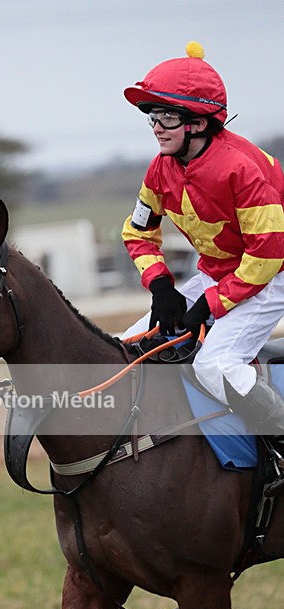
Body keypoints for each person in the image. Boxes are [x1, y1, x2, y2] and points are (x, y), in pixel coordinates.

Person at [121, 41, 284, 495]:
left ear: (198, 122)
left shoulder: (243, 168)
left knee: (216, 365)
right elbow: (138, 233)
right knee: (125, 348)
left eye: (165, 116)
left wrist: (210, 304)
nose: (156, 127)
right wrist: (161, 287)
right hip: (218, 272)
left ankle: (281, 449)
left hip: (273, 276)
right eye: (151, 116)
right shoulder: (160, 169)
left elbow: (267, 255)